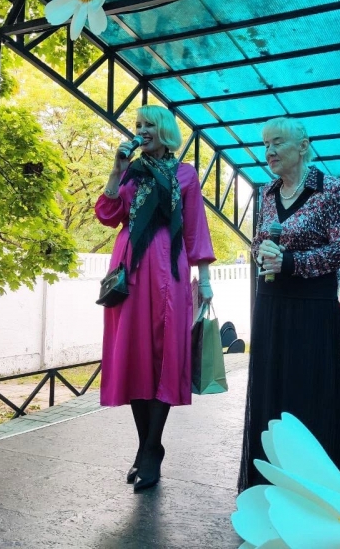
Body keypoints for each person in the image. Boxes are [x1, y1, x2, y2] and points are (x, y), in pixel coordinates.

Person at [95, 105, 215, 492]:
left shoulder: (186, 174)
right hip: (128, 269)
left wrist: (206, 279)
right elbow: (108, 215)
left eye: (148, 124)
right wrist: (116, 170)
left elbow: (195, 227)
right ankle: (146, 447)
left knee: (164, 354)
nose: (141, 130)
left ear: (164, 131)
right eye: (138, 125)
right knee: (133, 353)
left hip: (169, 268)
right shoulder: (131, 170)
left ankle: (151, 449)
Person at [238, 117, 340, 493]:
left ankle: (312, 492)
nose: (269, 151)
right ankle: (268, 485)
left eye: (277, 143)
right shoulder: (267, 193)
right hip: (271, 305)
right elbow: (258, 243)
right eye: (265, 145)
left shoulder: (329, 189)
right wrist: (262, 252)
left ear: (303, 147)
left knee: (308, 396)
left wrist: (291, 262)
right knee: (271, 393)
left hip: (312, 309)